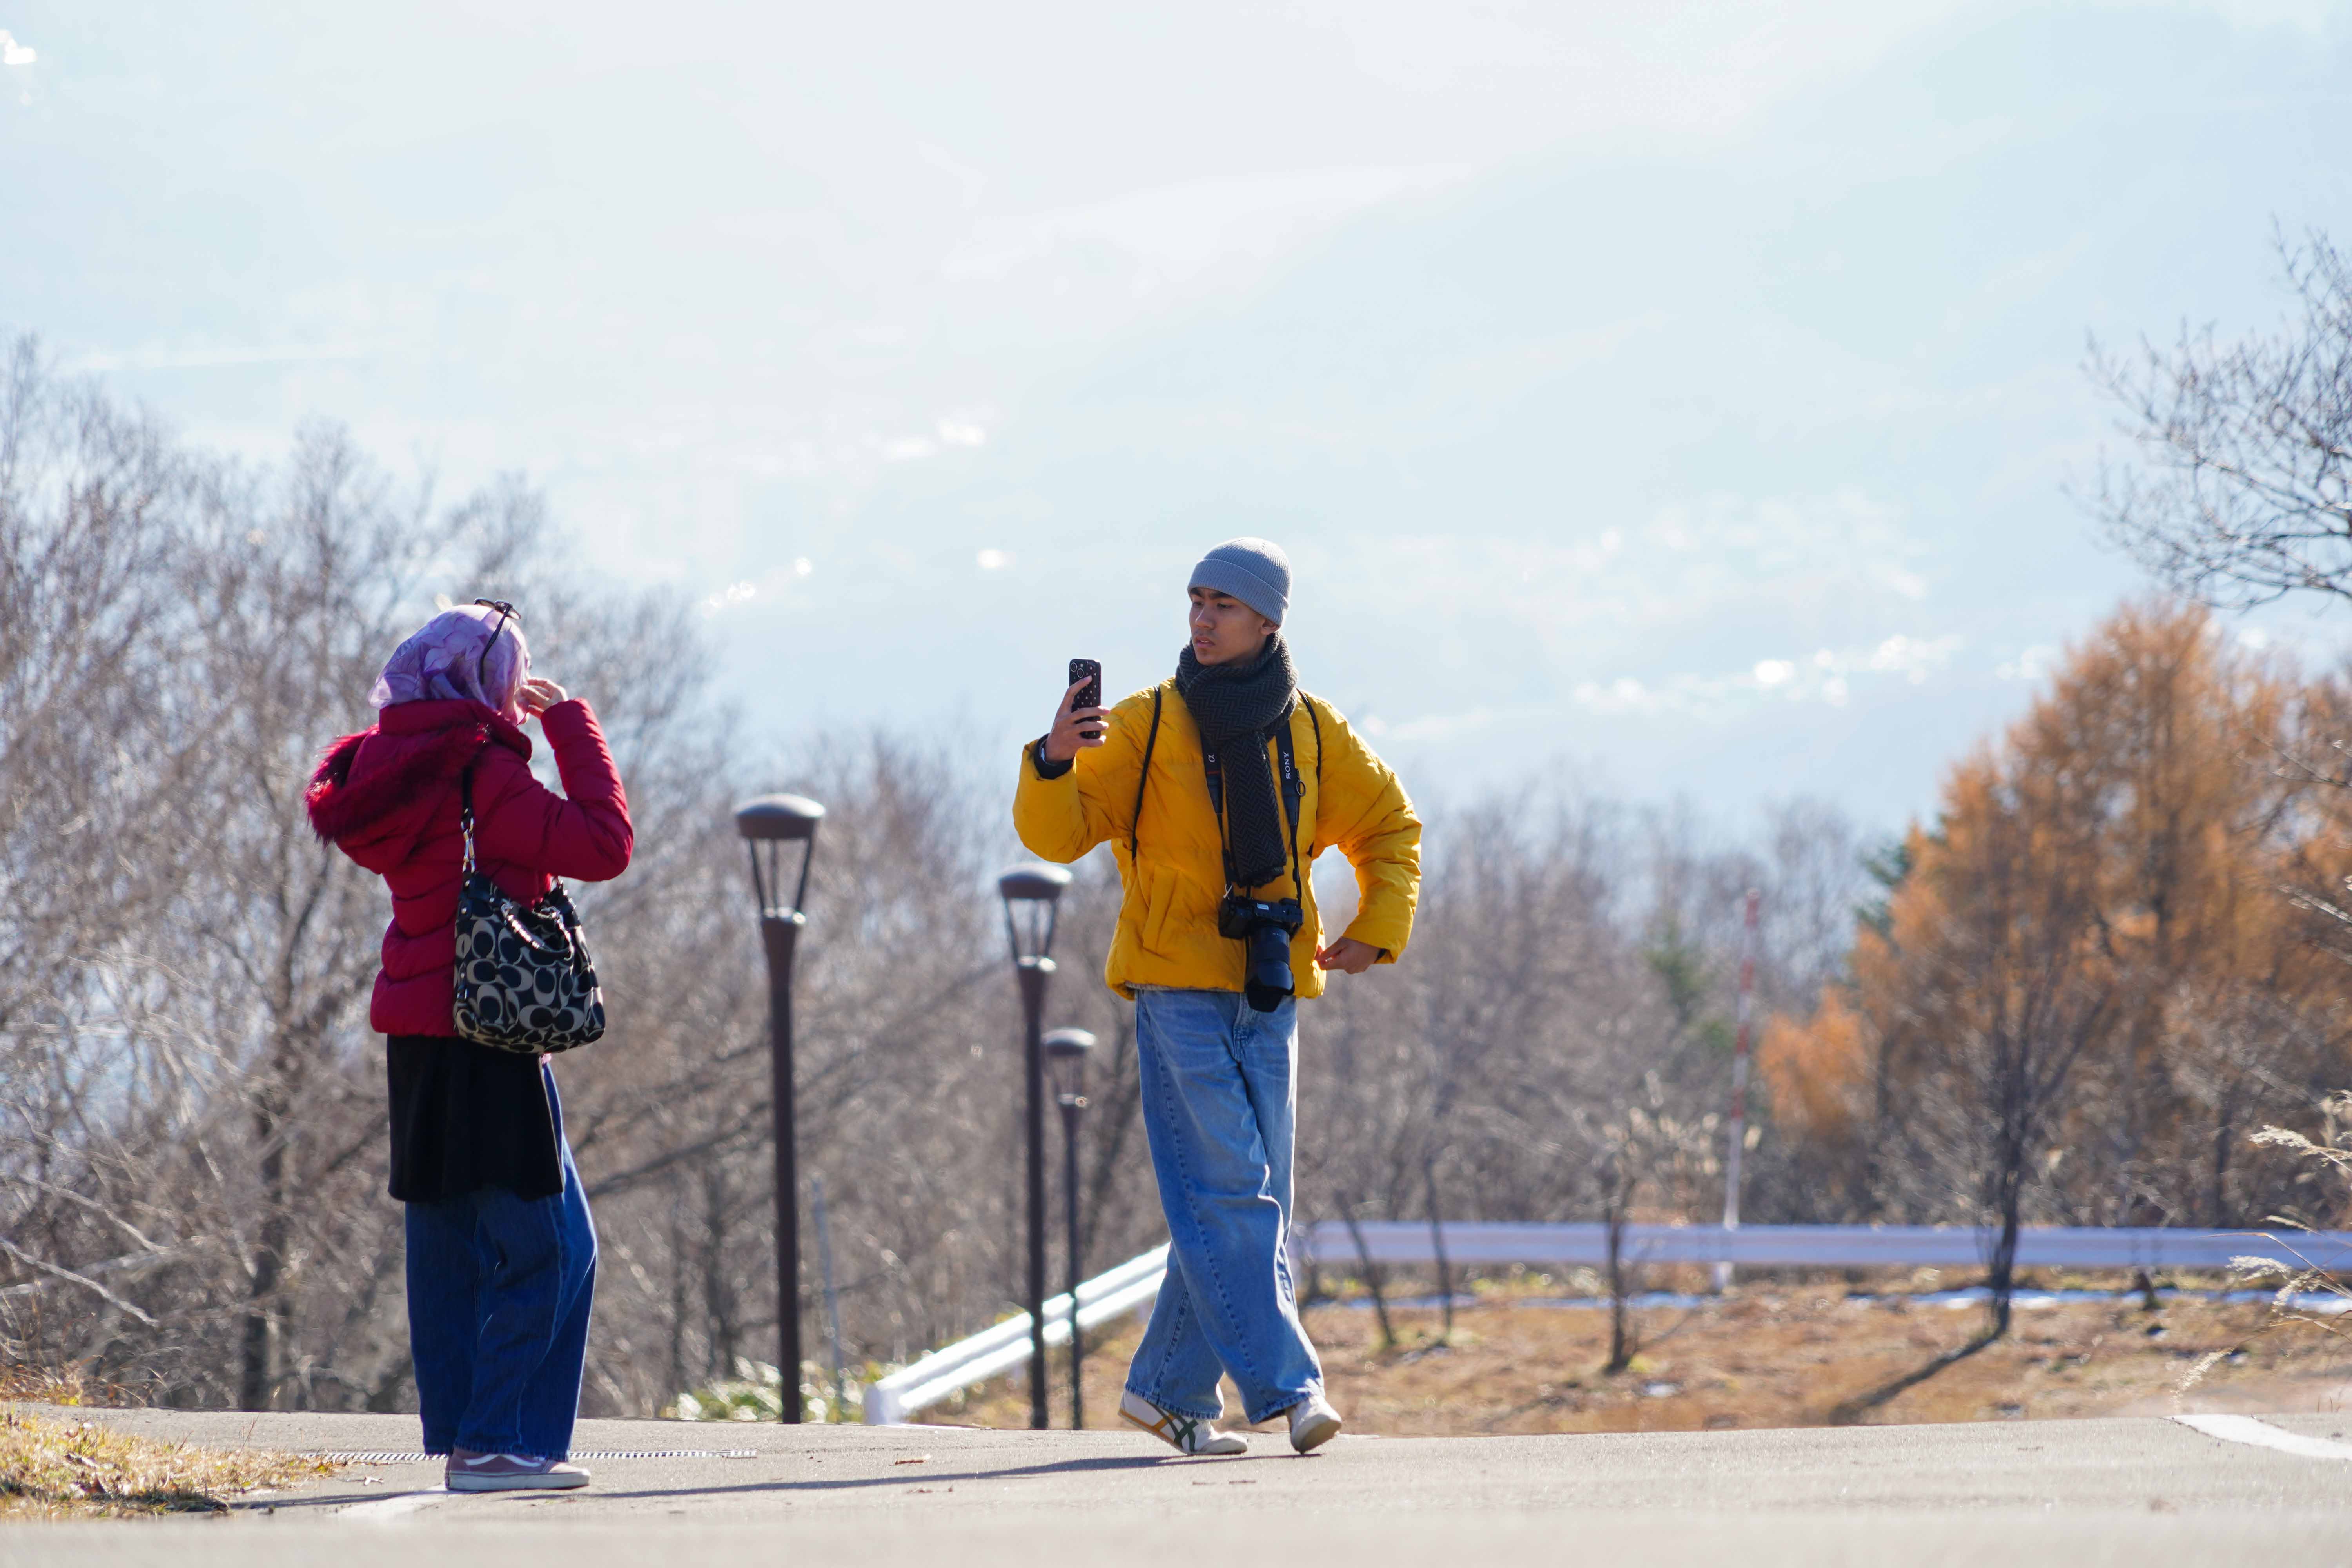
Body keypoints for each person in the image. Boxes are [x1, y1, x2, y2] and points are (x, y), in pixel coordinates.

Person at [1014, 538, 1421, 1456]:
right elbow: (1059, 836)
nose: (1202, 618)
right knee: (1235, 1193)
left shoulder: (1313, 729)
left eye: (1223, 604)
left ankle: (1166, 1391)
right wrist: (1052, 759)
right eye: (1195, 600)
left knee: (1247, 1200)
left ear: (1268, 620)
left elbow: (1391, 825)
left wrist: (1375, 925)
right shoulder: (1147, 722)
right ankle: (1292, 1389)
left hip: (1270, 986)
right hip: (1176, 987)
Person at [306, 600, 632, 1493]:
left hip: (418, 1042)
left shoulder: (389, 769)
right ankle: (497, 1444)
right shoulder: (484, 772)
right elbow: (606, 843)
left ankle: (469, 1439)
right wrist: (570, 724)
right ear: (489, 680)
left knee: (448, 1247)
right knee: (554, 1248)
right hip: (488, 1035)